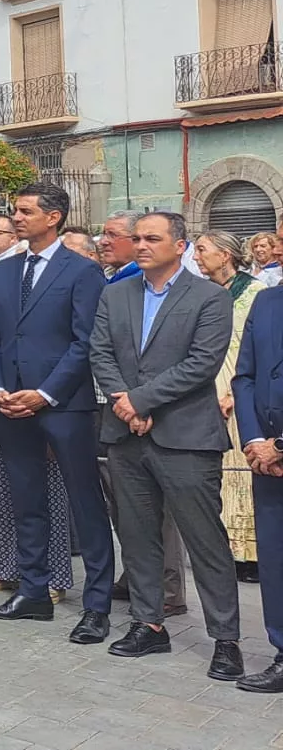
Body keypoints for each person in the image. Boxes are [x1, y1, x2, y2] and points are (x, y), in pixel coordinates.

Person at [90, 211, 243, 679]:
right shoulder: (116, 293)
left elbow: (202, 362)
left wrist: (139, 400)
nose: (140, 245)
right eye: (136, 238)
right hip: (126, 436)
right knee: (137, 537)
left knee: (205, 540)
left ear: (180, 245)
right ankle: (148, 624)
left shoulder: (210, 298)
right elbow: (100, 352)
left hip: (185, 436)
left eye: (151, 238)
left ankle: (226, 638)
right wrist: (127, 406)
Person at [0, 183, 115, 642]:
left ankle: (96, 606)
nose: (16, 217)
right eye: (14, 210)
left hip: (63, 405)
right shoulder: (7, 269)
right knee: (25, 500)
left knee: (84, 502)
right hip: (10, 403)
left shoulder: (82, 272)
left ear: (53, 217)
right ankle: (33, 591)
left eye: (24, 210)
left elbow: (85, 341)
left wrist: (46, 393)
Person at [195, 231, 266, 582]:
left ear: (225, 255)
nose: (195, 257)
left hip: (239, 388)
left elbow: (256, 348)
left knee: (243, 470)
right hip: (206, 389)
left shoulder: (254, 293)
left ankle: (252, 554)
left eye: (202, 250)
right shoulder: (205, 294)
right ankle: (225, 550)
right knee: (218, 475)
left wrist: (233, 393)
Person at [229, 285, 283, 692]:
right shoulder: (267, 301)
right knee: (276, 557)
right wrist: (252, 440)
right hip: (265, 458)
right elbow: (244, 375)